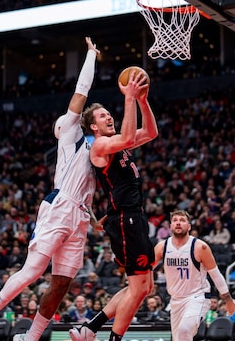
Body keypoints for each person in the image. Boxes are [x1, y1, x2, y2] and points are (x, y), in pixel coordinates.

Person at [0, 37, 101, 341]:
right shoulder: (70, 135)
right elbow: (81, 92)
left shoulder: (95, 150)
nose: (70, 119)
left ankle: (31, 337)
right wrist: (91, 56)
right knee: (32, 271)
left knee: (61, 283)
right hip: (59, 207)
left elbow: (86, 189)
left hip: (80, 214)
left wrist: (94, 217)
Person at [69, 65, 158, 341]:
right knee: (139, 286)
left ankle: (90, 328)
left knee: (144, 286)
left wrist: (142, 100)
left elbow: (151, 132)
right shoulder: (99, 146)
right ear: (94, 126)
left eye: (109, 113)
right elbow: (130, 136)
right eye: (103, 116)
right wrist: (129, 97)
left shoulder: (119, 143)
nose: (109, 116)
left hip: (132, 217)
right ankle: (111, 338)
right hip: (125, 220)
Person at [152, 209, 235, 339]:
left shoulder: (199, 247)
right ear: (170, 226)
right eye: (175, 220)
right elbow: (146, 270)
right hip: (175, 300)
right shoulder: (162, 247)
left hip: (198, 296)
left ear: (189, 226)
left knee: (184, 330)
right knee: (179, 338)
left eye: (182, 220)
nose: (178, 223)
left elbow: (216, 274)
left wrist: (228, 300)